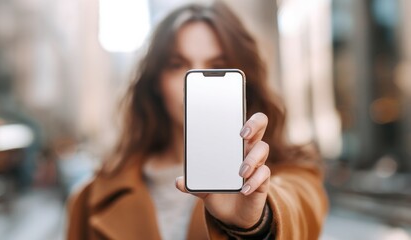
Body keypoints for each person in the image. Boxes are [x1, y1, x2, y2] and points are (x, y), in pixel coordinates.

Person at [67, 1, 328, 240]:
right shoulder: (90, 197)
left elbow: (298, 210)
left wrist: (257, 221)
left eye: (216, 66)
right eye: (177, 64)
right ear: (156, 81)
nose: (194, 81)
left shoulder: (290, 176)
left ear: (243, 83)